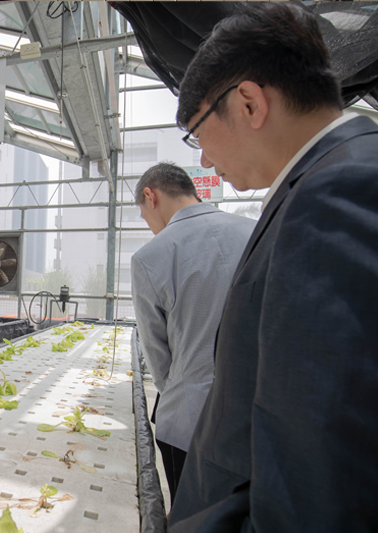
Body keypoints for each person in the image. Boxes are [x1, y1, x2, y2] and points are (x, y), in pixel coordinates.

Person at [169, 4, 378, 531]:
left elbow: (318, 450)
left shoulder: (338, 191)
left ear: (248, 102)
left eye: (198, 133)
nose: (206, 162)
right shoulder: (326, 176)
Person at [131, 162, 255, 504]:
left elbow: (157, 357)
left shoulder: (150, 257)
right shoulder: (256, 231)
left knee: (192, 512)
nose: (150, 227)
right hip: (257, 421)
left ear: (150, 196)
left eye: (144, 215)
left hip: (189, 423)